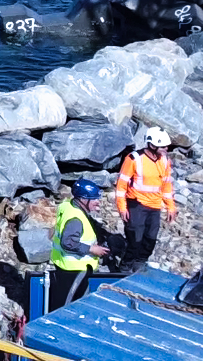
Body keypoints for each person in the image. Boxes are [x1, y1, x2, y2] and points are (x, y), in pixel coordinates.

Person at [116, 126, 177, 270]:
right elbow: (121, 185)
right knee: (135, 240)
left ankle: (139, 264)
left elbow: (166, 185)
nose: (166, 148)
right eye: (163, 146)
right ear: (152, 144)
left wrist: (171, 207)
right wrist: (122, 207)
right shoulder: (134, 159)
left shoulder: (164, 161)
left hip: (155, 206)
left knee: (150, 240)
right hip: (137, 204)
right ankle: (124, 268)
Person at [49, 178, 112, 311]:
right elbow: (67, 242)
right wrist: (91, 249)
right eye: (94, 199)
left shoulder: (68, 206)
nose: (97, 202)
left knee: (63, 300)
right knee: (70, 305)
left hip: (64, 265)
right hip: (75, 269)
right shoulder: (75, 219)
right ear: (83, 199)